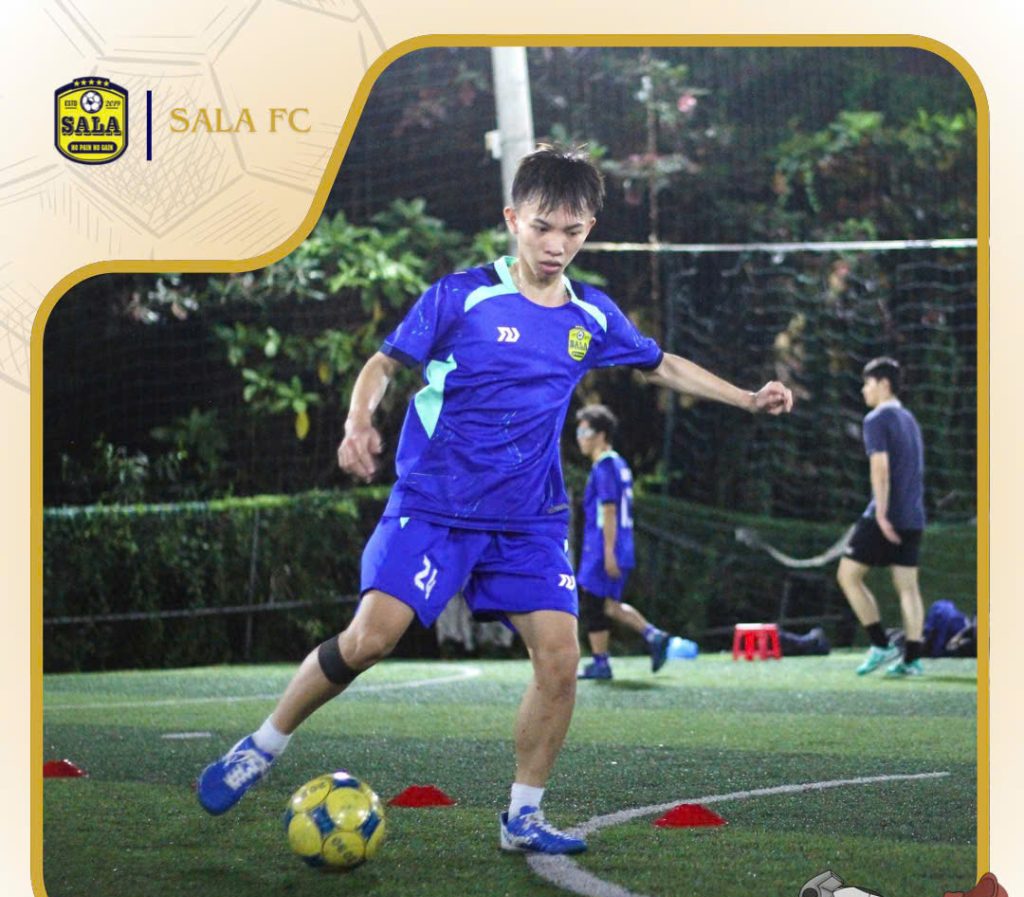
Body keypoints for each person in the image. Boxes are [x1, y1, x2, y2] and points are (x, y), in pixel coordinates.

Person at [196, 144, 793, 854]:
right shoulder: (462, 297)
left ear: (589, 230)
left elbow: (660, 364)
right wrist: (358, 422)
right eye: (542, 227)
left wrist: (746, 397)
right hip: (435, 505)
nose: (556, 245)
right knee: (369, 640)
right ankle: (262, 746)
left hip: (528, 520)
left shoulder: (591, 316)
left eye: (572, 231)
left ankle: (523, 816)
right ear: (513, 220)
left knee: (561, 662)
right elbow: (383, 363)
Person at [836, 356, 926, 677]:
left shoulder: (876, 419)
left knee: (847, 575)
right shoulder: (910, 419)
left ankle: (880, 644)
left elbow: (881, 469)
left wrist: (883, 516)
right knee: (908, 588)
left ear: (884, 384)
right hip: (914, 516)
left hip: (884, 515)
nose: (864, 390)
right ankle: (912, 660)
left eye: (868, 383)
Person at [574, 404, 671, 680]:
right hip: (618, 544)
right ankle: (652, 636)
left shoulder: (605, 466)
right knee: (607, 604)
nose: (580, 438)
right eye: (578, 432)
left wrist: (608, 551)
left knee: (594, 603)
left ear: (601, 435)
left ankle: (602, 662)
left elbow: (609, 510)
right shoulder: (619, 464)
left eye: (585, 432)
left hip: (604, 546)